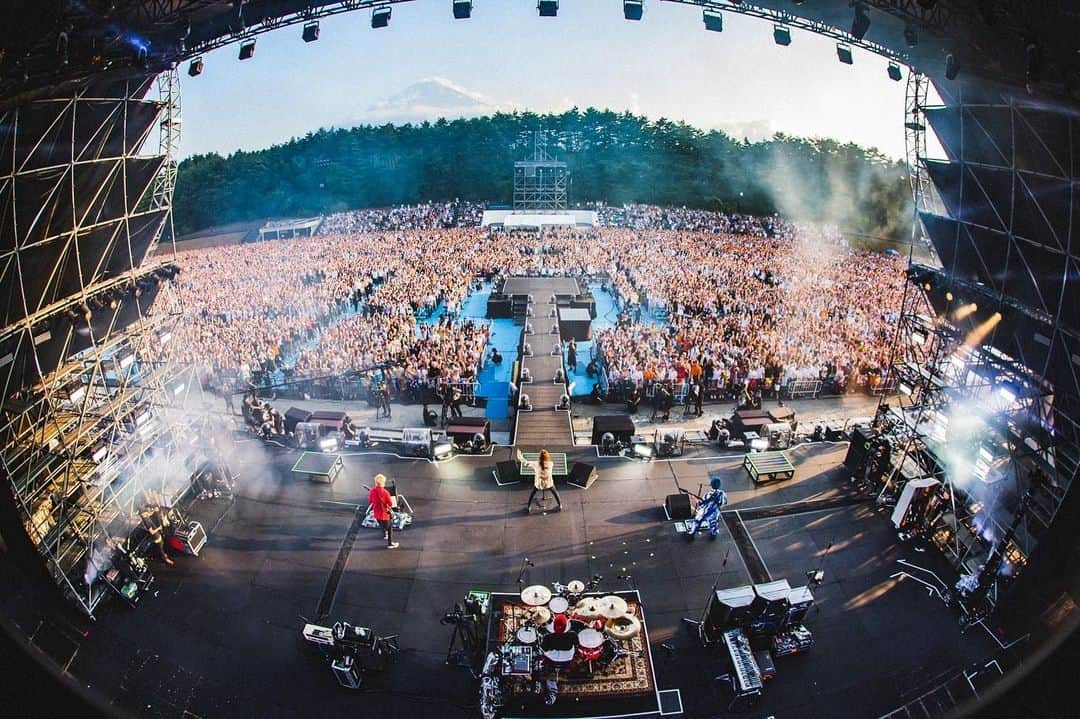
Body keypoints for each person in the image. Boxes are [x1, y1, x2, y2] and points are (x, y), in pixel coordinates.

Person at [518, 448, 562, 512]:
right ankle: (560, 505)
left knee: (533, 493)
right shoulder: (551, 464)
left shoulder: (535, 464)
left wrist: (519, 455)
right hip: (548, 483)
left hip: (539, 484)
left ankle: (529, 507)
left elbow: (525, 462)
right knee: (555, 492)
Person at [139, 492, 173, 565]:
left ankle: (164, 555)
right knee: (160, 545)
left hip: (157, 529)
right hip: (155, 534)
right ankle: (164, 558)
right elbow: (151, 532)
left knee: (162, 543)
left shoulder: (147, 511)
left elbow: (152, 510)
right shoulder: (146, 520)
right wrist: (158, 528)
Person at [368, 474, 399, 549]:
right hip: (385, 514)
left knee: (381, 525)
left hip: (377, 513)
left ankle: (384, 534)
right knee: (390, 528)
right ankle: (390, 543)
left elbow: (370, 501)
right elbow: (390, 503)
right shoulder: (385, 492)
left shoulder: (372, 491)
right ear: (383, 483)